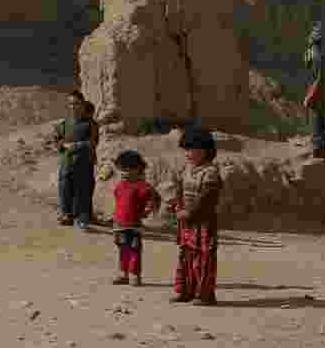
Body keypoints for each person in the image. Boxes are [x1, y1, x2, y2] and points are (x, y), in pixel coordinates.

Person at [169, 127, 223, 306]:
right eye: (186, 149)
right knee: (186, 255)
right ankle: (185, 291)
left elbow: (206, 198)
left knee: (203, 257)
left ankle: (204, 294)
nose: (187, 153)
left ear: (205, 150)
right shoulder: (186, 169)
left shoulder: (210, 172)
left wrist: (189, 213)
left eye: (192, 149)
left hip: (203, 223)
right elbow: (179, 189)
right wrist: (176, 206)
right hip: (187, 224)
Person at [110, 150, 161, 286]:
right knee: (123, 250)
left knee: (134, 250)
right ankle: (123, 273)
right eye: (121, 170)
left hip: (134, 226)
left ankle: (134, 275)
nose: (123, 173)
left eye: (126, 170)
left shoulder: (142, 186)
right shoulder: (120, 185)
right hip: (119, 225)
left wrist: (148, 209)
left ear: (137, 169)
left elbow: (153, 198)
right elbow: (119, 203)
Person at [53, 90, 96, 230]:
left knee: (82, 190)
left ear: (82, 104)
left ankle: (81, 217)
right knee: (65, 188)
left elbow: (92, 142)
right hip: (66, 162)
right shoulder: (64, 124)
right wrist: (60, 145)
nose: (73, 106)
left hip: (83, 163)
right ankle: (66, 214)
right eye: (70, 104)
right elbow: (57, 140)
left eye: (76, 103)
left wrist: (74, 146)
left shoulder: (90, 124)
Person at [303, 22, 325, 159]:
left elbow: (318, 79)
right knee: (317, 124)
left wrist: (310, 97)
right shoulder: (316, 55)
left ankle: (318, 154)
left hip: (316, 96)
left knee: (316, 124)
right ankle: (319, 153)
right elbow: (307, 64)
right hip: (318, 95)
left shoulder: (317, 56)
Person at [84, 99, 101, 223]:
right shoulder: (92, 124)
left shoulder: (91, 125)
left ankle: (86, 214)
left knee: (87, 187)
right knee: (86, 187)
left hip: (87, 160)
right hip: (87, 159)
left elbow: (93, 142)